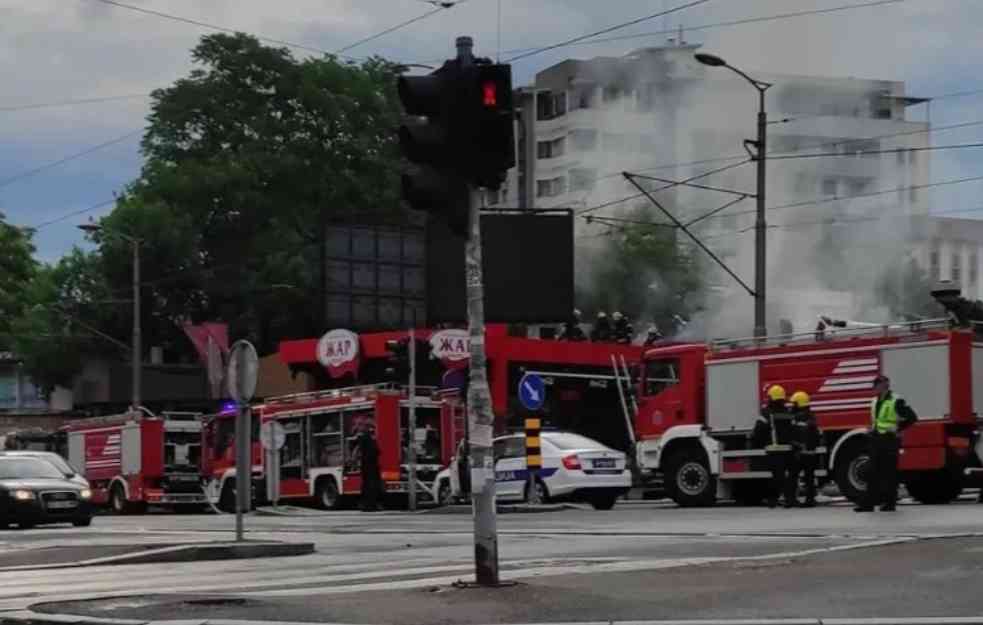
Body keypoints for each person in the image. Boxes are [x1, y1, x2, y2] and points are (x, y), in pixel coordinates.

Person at [856, 375, 917, 512]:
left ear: (881, 386)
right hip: (876, 439)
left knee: (889, 474)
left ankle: (889, 504)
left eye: (877, 386)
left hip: (890, 440)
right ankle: (868, 504)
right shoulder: (874, 401)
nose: (875, 389)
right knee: (872, 472)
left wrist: (898, 428)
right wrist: (872, 429)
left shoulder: (896, 400)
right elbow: (877, 420)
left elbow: (912, 418)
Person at [752, 385, 797, 508]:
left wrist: (756, 444)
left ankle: (773, 500)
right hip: (788, 450)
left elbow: (758, 432)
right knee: (789, 476)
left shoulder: (766, 413)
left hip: (774, 449)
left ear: (771, 398)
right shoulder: (788, 413)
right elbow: (794, 430)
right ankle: (790, 499)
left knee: (776, 477)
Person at [788, 391, 821, 508]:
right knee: (810, 478)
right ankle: (810, 500)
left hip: (800, 453)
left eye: (794, 404)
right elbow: (816, 436)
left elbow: (792, 434)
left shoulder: (797, 418)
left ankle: (791, 500)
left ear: (799, 404)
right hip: (811, 453)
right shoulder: (812, 417)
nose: (792, 406)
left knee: (793, 476)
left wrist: (795, 446)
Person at [358, 422, 384, 511]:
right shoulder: (369, 439)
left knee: (366, 485)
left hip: (366, 465)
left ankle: (366, 505)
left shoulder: (362, 438)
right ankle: (371, 505)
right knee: (372, 485)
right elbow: (376, 451)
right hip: (371, 465)